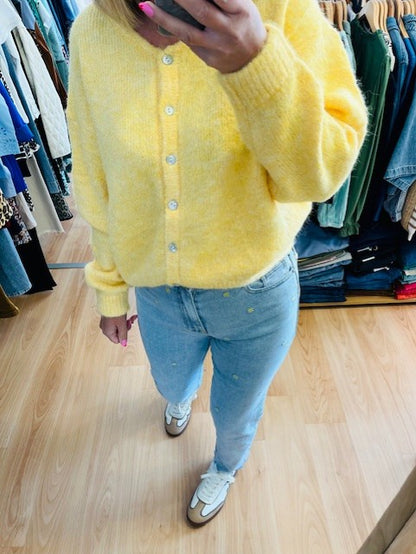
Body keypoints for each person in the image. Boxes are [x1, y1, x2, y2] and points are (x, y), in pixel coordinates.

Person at [67, 0, 367, 527]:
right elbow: (95, 176)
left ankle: (226, 467)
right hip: (157, 292)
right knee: (170, 382)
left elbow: (319, 178)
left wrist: (257, 65)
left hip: (256, 293)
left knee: (236, 410)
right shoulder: (93, 31)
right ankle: (181, 400)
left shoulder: (280, 10)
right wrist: (109, 289)